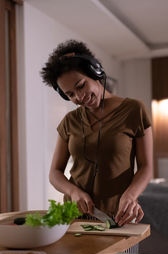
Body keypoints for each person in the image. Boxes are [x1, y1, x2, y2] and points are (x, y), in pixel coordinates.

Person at [41, 40, 153, 227]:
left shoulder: (134, 110)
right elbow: (55, 173)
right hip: (74, 217)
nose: (79, 97)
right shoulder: (70, 121)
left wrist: (131, 195)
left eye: (81, 85)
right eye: (70, 95)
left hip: (119, 216)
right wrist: (74, 192)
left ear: (95, 73)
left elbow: (146, 167)